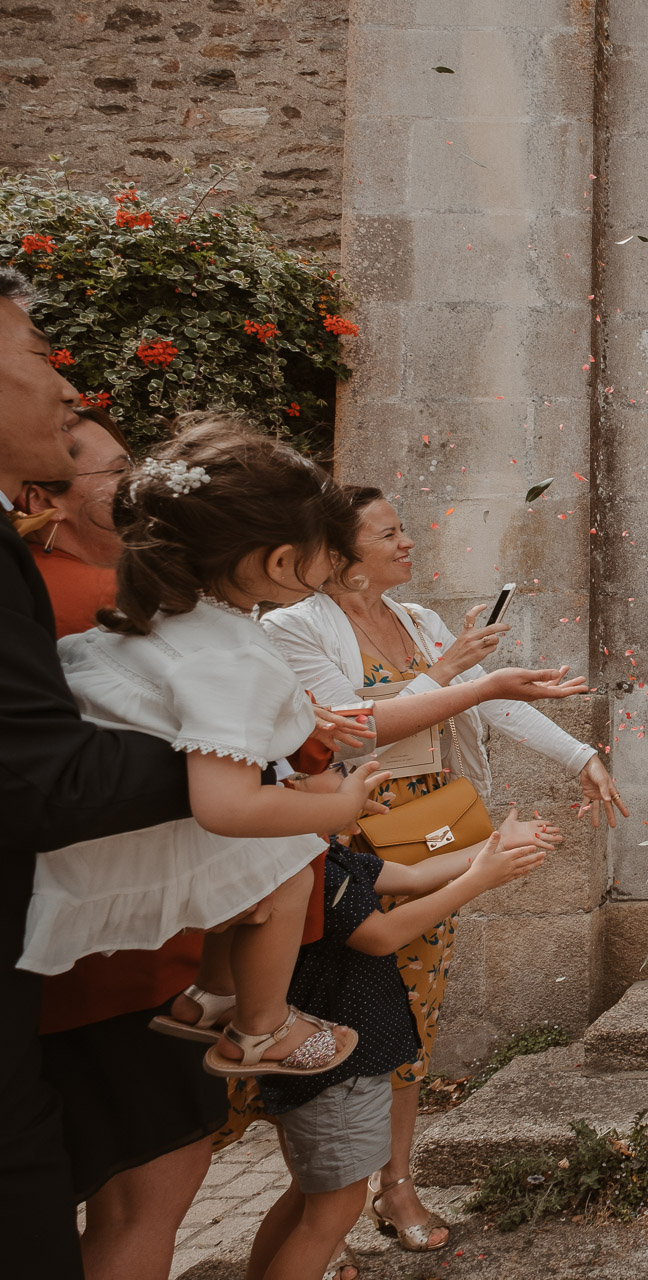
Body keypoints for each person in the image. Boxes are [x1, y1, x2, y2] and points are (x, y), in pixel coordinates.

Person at [257, 484, 607, 1250]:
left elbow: (491, 703)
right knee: (334, 1010)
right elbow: (344, 736)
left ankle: (397, 1185)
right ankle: (320, 1209)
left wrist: (581, 754)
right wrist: (448, 670)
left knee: (411, 1013)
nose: (409, 541)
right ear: (344, 558)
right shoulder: (293, 628)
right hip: (350, 825)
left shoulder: (416, 620)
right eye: (390, 533)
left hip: (435, 828)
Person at [22, 419, 386, 1083]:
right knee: (293, 858)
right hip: (131, 841)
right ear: (281, 563)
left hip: (87, 823)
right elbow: (223, 805)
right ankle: (263, 1028)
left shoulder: (154, 615)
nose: (334, 564)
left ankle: (209, 998)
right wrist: (336, 812)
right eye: (327, 551)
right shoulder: (234, 654)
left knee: (269, 850)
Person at [0, 266, 192, 1279]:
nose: (68, 385)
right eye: (38, 353)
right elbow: (45, 770)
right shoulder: (79, 587)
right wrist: (240, 764)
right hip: (104, 943)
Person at [17, 407, 225, 1280]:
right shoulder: (73, 597)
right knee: (151, 1182)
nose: (134, 484)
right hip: (120, 950)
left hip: (127, 934)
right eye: (112, 471)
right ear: (50, 496)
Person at [244, 827, 548, 1280]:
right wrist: (478, 881)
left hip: (338, 1061)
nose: (368, 789)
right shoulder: (312, 865)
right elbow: (381, 935)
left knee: (306, 1200)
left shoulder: (323, 852)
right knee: (331, 1213)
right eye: (337, 770)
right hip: (336, 1069)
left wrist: (496, 843)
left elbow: (413, 875)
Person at [18, 406, 126, 635]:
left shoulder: (18, 572)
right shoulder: (113, 593)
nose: (139, 481)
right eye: (120, 471)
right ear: (42, 501)